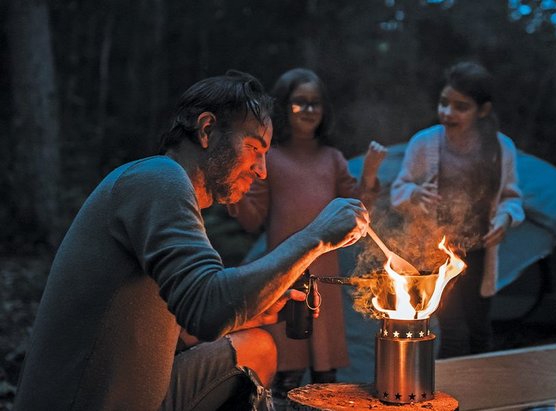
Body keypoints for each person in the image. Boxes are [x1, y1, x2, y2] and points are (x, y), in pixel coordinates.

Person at [14, 70, 371, 410]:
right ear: (207, 130)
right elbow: (205, 309)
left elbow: (180, 332)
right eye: (253, 148)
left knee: (258, 347)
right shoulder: (157, 179)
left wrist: (252, 313)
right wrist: (316, 236)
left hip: (147, 394)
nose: (262, 170)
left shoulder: (170, 191)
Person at [226, 68, 388, 396]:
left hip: (324, 278)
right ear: (284, 108)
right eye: (299, 103)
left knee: (324, 369)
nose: (309, 110)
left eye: (316, 103)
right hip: (283, 275)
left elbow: (356, 210)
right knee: (285, 364)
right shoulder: (269, 157)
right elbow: (252, 219)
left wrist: (369, 175)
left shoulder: (332, 158)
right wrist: (234, 187)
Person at [391, 61, 524, 358]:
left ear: (483, 111)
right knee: (452, 331)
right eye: (444, 103)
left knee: (479, 329)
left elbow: (512, 198)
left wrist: (505, 217)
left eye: (460, 107)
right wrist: (415, 193)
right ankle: (446, 400)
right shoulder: (424, 143)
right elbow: (398, 190)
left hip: (478, 252)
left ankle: (480, 397)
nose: (448, 113)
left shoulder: (501, 148)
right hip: (434, 252)